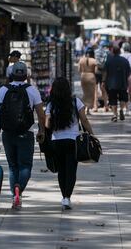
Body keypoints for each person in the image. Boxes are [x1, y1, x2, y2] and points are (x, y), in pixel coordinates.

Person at [0, 61, 45, 209]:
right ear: (26, 75)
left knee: (13, 166)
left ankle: (15, 194)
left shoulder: (3, 90)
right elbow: (40, 113)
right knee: (25, 165)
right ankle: (18, 191)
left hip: (7, 134)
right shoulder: (32, 90)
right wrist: (42, 130)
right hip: (26, 134)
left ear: (11, 74)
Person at [45, 77, 94, 210]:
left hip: (56, 141)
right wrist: (92, 134)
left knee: (61, 170)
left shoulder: (51, 105)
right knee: (71, 170)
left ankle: (63, 196)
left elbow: (47, 124)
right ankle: (67, 197)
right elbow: (84, 120)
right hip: (73, 141)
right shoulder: (75, 101)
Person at [104, 46, 130, 122]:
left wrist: (103, 81)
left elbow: (105, 72)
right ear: (119, 52)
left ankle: (114, 115)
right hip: (123, 83)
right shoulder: (125, 61)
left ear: (112, 51)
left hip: (111, 84)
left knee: (113, 99)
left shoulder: (109, 61)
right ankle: (121, 109)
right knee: (122, 98)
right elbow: (128, 73)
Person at [78, 48, 98, 113]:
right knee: (90, 94)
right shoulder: (94, 61)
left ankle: (83, 107)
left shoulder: (81, 60)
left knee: (85, 93)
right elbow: (96, 71)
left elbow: (79, 70)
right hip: (91, 76)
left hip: (83, 76)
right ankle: (88, 109)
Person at [95, 40, 111, 111]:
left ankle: (95, 106)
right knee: (104, 89)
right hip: (104, 73)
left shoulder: (95, 51)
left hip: (96, 71)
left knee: (95, 89)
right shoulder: (108, 52)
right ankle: (106, 106)